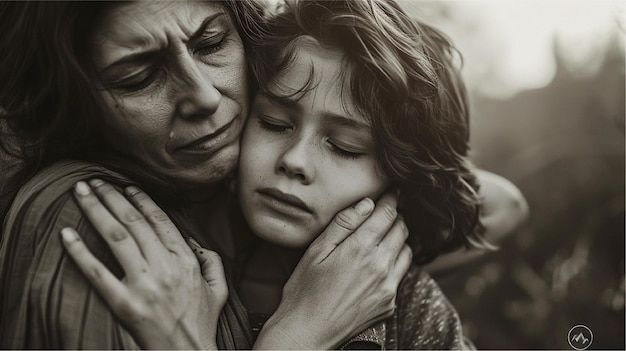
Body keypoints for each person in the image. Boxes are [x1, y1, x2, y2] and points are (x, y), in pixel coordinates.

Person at [59, 0, 527, 349]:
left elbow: (505, 203)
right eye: (275, 124)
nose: (294, 161)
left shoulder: (413, 313)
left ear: (397, 182)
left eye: (345, 147)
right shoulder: (181, 258)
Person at [0, 1, 411, 349]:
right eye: (138, 78)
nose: (204, 96)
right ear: (69, 101)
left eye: (211, 43)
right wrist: (299, 335)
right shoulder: (96, 223)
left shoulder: (224, 198)